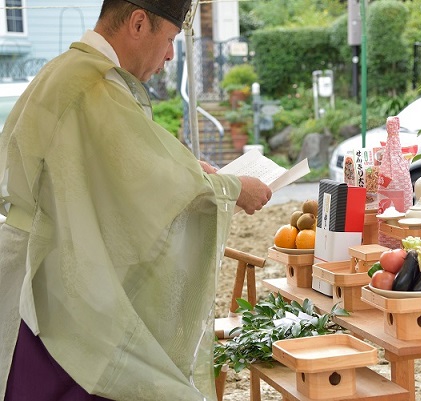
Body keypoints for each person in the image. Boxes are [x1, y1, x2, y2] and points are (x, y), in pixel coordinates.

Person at [0, 0, 272, 400]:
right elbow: (150, 186)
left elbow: (119, 170)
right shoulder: (94, 86)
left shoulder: (64, 71)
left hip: (45, 275)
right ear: (139, 22)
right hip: (59, 294)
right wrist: (232, 188)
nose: (168, 56)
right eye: (169, 39)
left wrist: (188, 171)